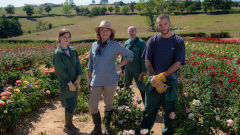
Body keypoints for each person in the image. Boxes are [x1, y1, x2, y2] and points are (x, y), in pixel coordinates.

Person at [140, 14, 185, 135]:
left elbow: (178, 63)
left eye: (165, 24)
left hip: (170, 81)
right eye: (160, 24)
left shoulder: (178, 41)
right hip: (153, 81)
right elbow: (147, 60)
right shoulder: (152, 41)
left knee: (170, 111)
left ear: (169, 24)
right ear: (157, 25)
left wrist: (162, 77)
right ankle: (144, 132)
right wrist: (154, 78)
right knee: (149, 111)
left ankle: (167, 133)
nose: (163, 27)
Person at [87, 20, 133, 135]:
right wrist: (89, 79)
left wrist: (118, 66)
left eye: (107, 30)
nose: (105, 31)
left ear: (110, 32)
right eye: (102, 29)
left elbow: (130, 55)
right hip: (96, 79)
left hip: (110, 80)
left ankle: (107, 127)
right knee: (92, 106)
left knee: (108, 105)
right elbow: (90, 64)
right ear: (99, 31)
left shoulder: (115, 45)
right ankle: (97, 128)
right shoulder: (94, 45)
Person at [52, 28, 83, 134]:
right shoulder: (58, 54)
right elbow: (60, 71)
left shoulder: (73, 51)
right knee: (69, 104)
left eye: (68, 37)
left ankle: (70, 125)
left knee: (73, 104)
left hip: (75, 82)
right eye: (64, 37)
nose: (66, 39)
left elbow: (78, 65)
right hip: (66, 85)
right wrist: (69, 83)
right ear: (59, 38)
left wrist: (78, 78)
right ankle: (67, 127)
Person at [121, 26, 147, 103]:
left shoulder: (141, 43)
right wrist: (122, 68)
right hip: (128, 68)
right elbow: (124, 55)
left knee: (141, 86)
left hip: (138, 68)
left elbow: (144, 57)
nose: (131, 33)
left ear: (136, 32)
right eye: (130, 31)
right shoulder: (126, 43)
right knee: (127, 86)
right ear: (128, 32)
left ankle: (146, 105)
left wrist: (144, 70)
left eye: (133, 31)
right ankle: (127, 105)